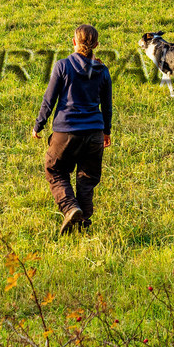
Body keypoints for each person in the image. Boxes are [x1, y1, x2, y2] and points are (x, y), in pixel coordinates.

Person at [33, 23, 112, 235]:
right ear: (96, 44)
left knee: (55, 170)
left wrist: (38, 125)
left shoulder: (62, 66)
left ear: (74, 42)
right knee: (86, 179)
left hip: (66, 133)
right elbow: (107, 104)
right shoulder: (103, 70)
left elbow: (49, 100)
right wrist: (106, 132)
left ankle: (70, 208)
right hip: (94, 133)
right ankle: (83, 225)